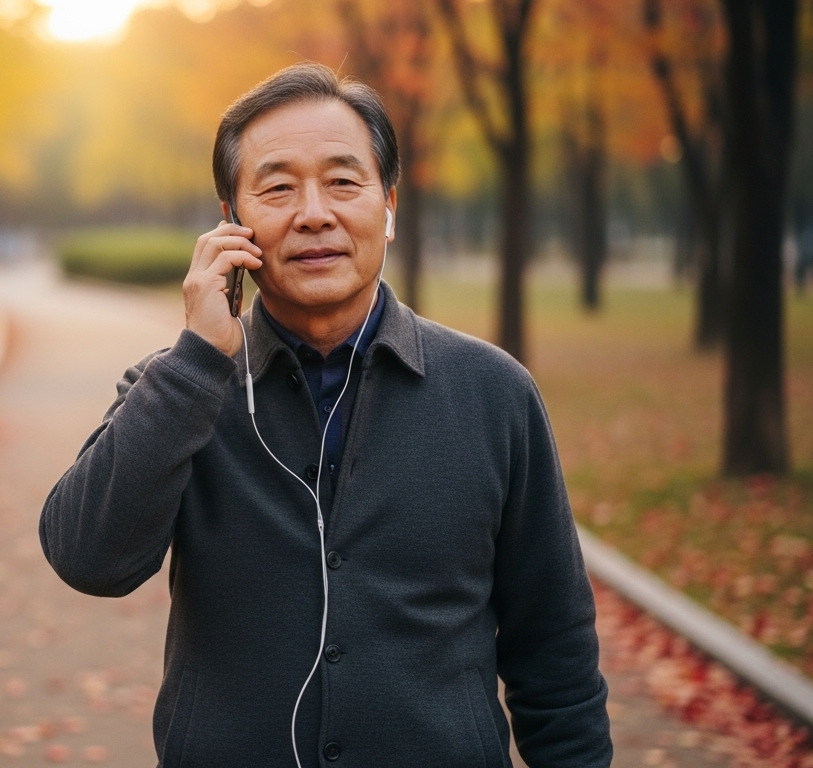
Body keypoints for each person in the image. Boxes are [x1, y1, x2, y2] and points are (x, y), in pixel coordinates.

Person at [40, 62, 612, 768]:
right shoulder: (177, 391)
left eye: (344, 182)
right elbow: (87, 559)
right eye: (277, 188)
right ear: (232, 225)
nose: (314, 213)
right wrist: (194, 364)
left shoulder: (494, 395)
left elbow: (554, 650)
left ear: (389, 206)